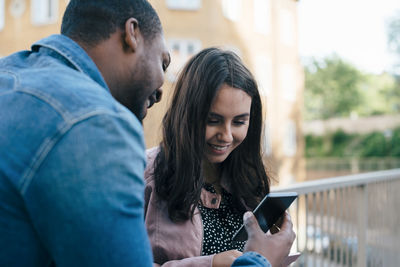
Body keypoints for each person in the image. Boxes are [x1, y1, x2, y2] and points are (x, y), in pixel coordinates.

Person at [0, 0, 293, 266]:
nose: (161, 87)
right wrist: (257, 263)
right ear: (132, 34)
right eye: (163, 62)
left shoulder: (9, 75)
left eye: (239, 121)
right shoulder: (97, 123)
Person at [144, 47, 296, 267]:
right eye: (213, 120)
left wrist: (275, 253)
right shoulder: (146, 172)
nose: (226, 136)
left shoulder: (247, 177)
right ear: (187, 114)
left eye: (239, 122)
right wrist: (213, 264)